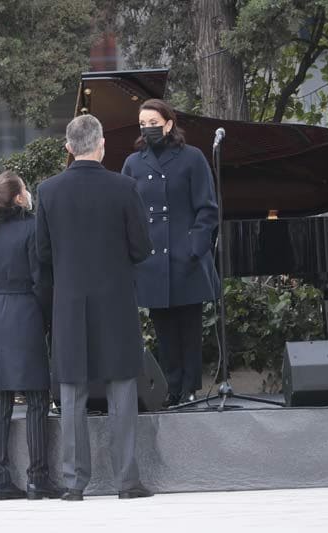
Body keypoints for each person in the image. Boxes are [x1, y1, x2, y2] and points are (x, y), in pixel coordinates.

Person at [35, 114, 154, 501]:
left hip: (69, 303)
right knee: (122, 389)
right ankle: (127, 481)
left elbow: (43, 254)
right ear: (101, 144)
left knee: (72, 393)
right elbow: (141, 248)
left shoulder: (48, 191)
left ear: (68, 148)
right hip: (116, 301)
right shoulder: (125, 187)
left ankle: (74, 483)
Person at [121, 98, 220, 406]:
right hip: (151, 260)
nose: (148, 128)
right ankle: (170, 389)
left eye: (153, 122)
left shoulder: (192, 158)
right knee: (163, 330)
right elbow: (127, 211)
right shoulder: (133, 163)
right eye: (143, 124)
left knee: (190, 329)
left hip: (185, 256)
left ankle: (190, 388)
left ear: (168, 123)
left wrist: (195, 247)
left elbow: (207, 208)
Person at [0, 171, 60, 501]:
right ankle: (38, 478)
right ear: (18, 198)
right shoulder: (31, 228)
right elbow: (42, 279)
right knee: (37, 399)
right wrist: (45, 316)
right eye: (25, 189)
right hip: (26, 312)